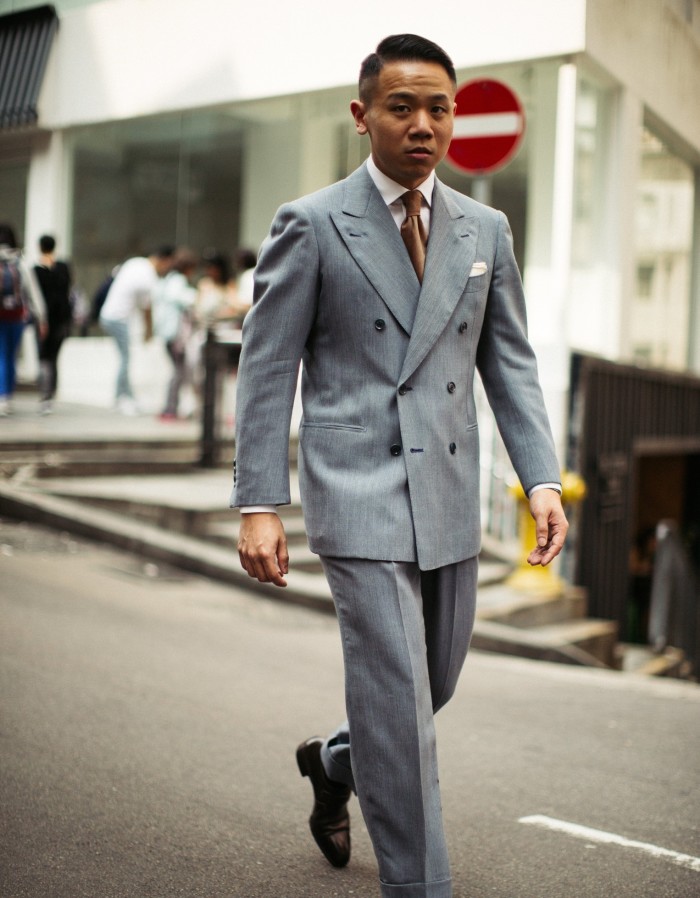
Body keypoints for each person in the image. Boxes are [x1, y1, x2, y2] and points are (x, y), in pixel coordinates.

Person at [231, 34, 569, 898]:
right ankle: (420, 886)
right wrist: (259, 501)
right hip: (358, 490)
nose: (423, 124)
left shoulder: (484, 228)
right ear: (362, 116)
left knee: (429, 687)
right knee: (399, 699)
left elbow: (511, 365)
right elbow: (268, 368)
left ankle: (336, 761)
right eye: (402, 106)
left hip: (450, 490)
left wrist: (540, 480)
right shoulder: (310, 223)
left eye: (439, 107)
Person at [99, 246, 174, 414]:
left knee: (125, 357)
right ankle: (121, 398)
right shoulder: (148, 276)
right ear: (164, 260)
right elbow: (146, 309)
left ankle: (128, 397)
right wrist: (149, 332)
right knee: (125, 359)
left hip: (109, 314)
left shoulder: (135, 263)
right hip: (118, 318)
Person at [0, 224, 46, 417]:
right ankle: (6, 398)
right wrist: (42, 318)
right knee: (10, 358)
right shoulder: (20, 262)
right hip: (17, 317)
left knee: (1, 356)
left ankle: (2, 397)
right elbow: (33, 293)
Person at [152, 247, 198, 420]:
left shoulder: (168, 279)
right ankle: (170, 408)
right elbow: (183, 298)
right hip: (175, 335)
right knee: (179, 371)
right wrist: (199, 295)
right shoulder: (177, 281)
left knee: (178, 371)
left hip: (169, 333)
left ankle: (172, 407)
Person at [33, 235, 73, 414]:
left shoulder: (37, 269)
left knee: (44, 356)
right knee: (53, 357)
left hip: (45, 319)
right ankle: (50, 393)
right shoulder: (63, 267)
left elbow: (36, 297)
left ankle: (45, 394)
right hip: (61, 320)